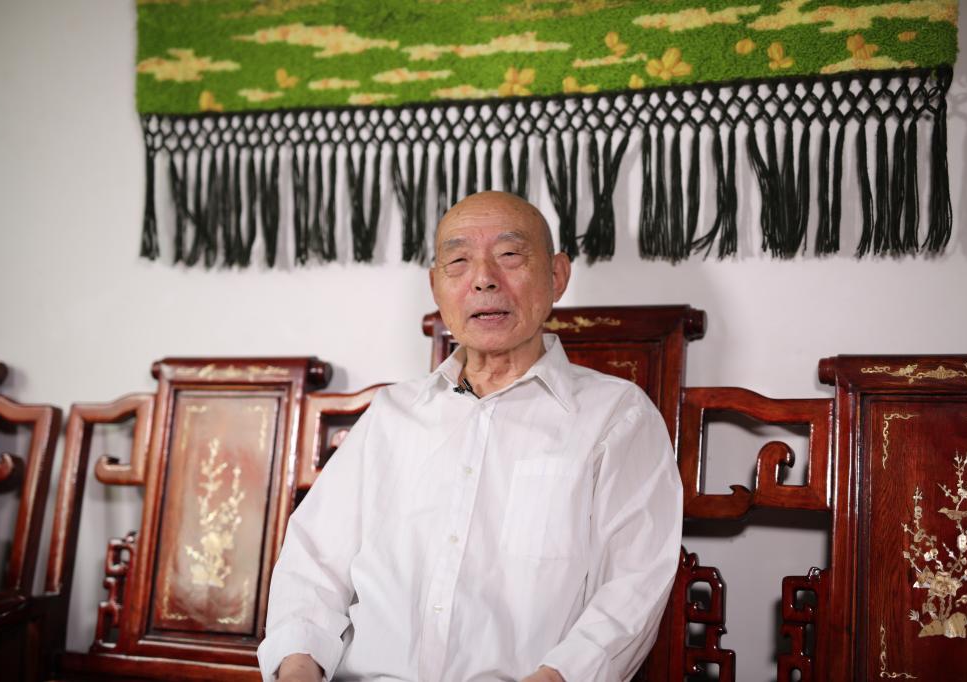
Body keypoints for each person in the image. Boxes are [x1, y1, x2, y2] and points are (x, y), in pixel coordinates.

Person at [258, 191, 683, 681]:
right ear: (436, 286)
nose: (483, 278)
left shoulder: (616, 417)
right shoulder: (392, 414)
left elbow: (633, 587)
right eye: (458, 261)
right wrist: (297, 667)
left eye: (510, 254)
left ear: (557, 276)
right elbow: (313, 563)